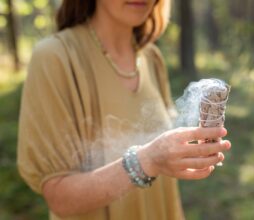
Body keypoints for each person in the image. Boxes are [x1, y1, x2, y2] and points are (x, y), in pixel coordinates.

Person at [17, 0, 231, 219]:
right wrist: (147, 161)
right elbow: (59, 198)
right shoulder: (54, 57)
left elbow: (166, 188)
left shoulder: (151, 58)